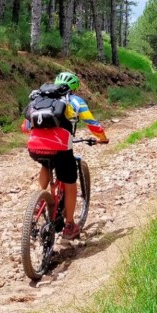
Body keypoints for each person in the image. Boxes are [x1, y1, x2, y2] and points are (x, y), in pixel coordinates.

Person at [21, 71, 108, 239]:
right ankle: (69, 225)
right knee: (70, 183)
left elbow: (25, 127)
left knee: (46, 164)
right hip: (61, 149)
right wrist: (102, 138)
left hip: (35, 148)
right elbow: (92, 123)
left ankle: (40, 199)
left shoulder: (38, 99)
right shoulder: (75, 101)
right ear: (75, 88)